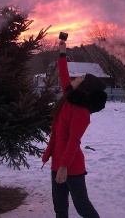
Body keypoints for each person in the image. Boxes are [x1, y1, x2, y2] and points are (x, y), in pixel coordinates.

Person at [42, 39, 108, 218]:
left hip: (71, 165)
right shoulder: (69, 96)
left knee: (82, 206)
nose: (76, 78)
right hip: (58, 161)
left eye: (81, 78)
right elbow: (63, 74)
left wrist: (64, 167)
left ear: (85, 87)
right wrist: (62, 53)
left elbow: (73, 140)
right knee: (60, 208)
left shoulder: (81, 112)